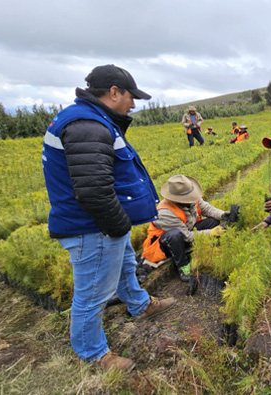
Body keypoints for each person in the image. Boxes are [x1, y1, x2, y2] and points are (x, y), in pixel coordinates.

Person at [42, 64, 176, 372]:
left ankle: (140, 305)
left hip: (102, 224)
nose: (134, 104)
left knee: (126, 266)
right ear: (113, 92)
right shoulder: (87, 126)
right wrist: (117, 227)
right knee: (92, 293)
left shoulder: (91, 120)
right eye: (131, 96)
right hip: (93, 227)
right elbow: (92, 192)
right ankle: (94, 353)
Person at [142, 175, 239, 281]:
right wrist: (211, 233)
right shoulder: (165, 213)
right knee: (174, 235)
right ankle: (183, 267)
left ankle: (205, 251)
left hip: (187, 231)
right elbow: (186, 236)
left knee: (213, 221)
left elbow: (206, 208)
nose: (192, 198)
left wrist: (223, 215)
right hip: (165, 245)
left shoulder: (191, 198)